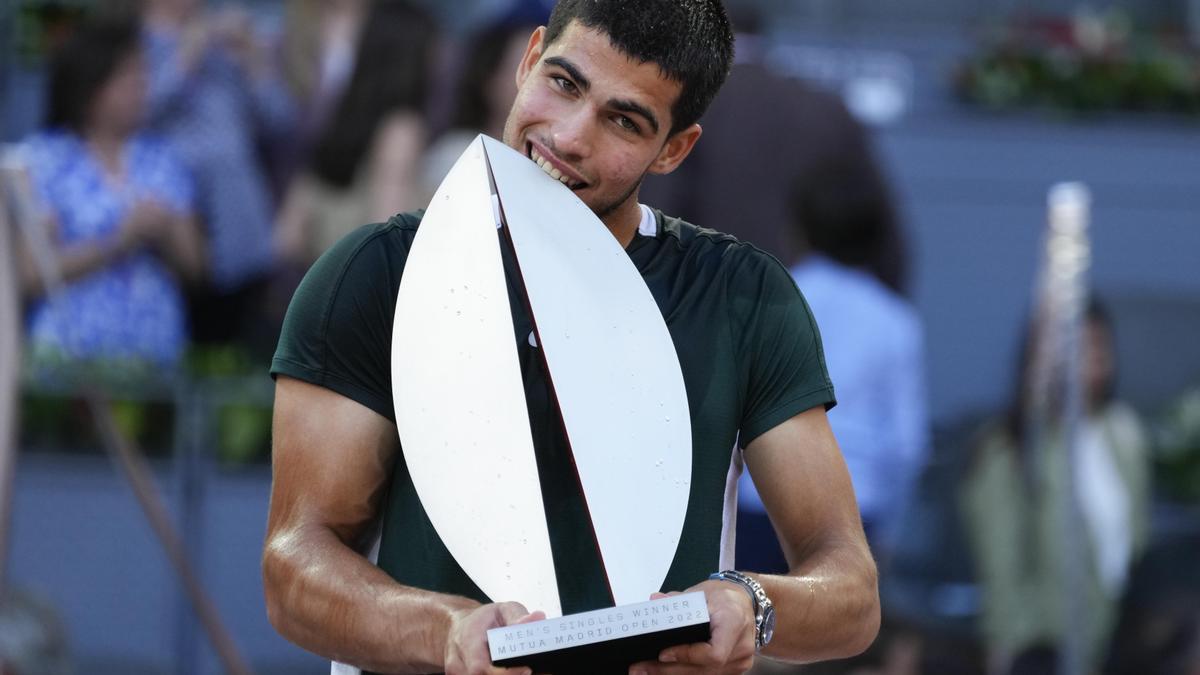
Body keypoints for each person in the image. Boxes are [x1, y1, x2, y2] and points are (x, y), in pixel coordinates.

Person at [263, 2, 880, 674]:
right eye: (564, 83)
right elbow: (295, 569)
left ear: (675, 148)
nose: (569, 136)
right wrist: (443, 631)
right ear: (528, 60)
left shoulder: (740, 297)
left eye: (623, 119)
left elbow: (850, 589)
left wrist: (750, 605)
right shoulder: (377, 274)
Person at [737, 142, 929, 573]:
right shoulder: (894, 321)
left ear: (799, 227)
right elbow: (906, 443)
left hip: (760, 503)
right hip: (859, 509)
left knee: (750, 637)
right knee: (836, 640)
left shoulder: (766, 300)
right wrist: (888, 531)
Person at [960, 300, 1151, 674]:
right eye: (1078, 344)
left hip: (1114, 635)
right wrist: (1006, 647)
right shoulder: (1010, 445)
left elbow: (1134, 544)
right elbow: (1001, 563)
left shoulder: (1122, 431)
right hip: (1042, 644)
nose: (1093, 355)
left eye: (1099, 343)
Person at [14, 18, 204, 368]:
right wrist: (120, 239)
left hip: (155, 357)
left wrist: (164, 234)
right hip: (67, 357)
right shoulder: (40, 160)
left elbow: (195, 267)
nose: (141, 86)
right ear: (91, 87)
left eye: (142, 75)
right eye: (128, 77)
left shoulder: (162, 158)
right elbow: (30, 274)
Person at [274, 0, 435, 267]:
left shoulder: (338, 126)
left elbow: (285, 240)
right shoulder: (401, 130)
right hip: (365, 290)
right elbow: (385, 242)